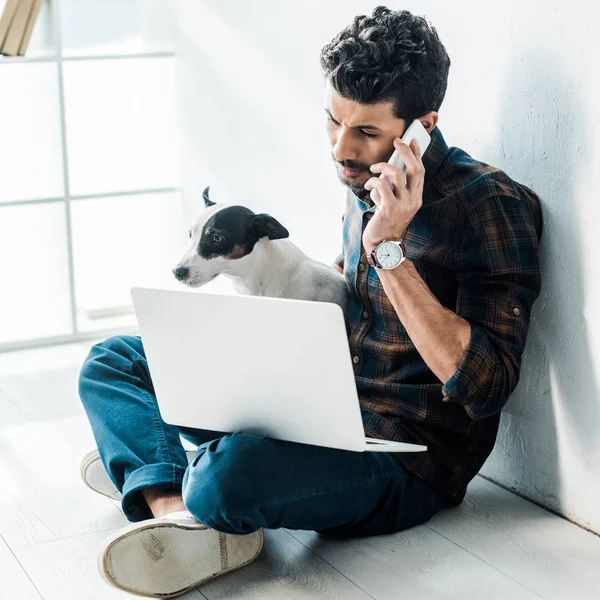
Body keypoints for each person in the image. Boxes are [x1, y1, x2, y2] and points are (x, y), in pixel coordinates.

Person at [79, 6, 542, 598]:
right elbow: (359, 299)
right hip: (316, 402)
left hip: (405, 456)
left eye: (367, 132)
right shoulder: (365, 178)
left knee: (230, 473)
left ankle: (158, 467)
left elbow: (485, 386)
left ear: (422, 126)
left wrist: (389, 249)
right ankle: (173, 504)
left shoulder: (491, 205)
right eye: (333, 121)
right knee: (114, 359)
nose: (341, 149)